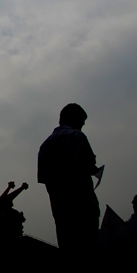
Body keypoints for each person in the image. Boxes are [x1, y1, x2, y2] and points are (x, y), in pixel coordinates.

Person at [37, 103, 101, 257]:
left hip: (61, 210)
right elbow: (87, 163)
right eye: (81, 122)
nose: (82, 126)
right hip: (83, 205)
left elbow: (44, 178)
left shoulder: (45, 145)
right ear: (73, 119)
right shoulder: (76, 136)